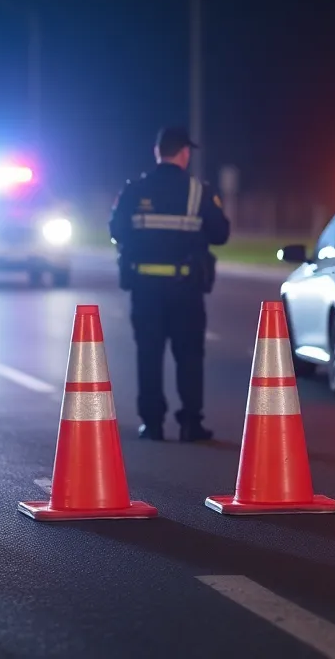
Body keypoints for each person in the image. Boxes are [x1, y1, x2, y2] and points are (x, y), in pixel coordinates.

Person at [108, 126, 231, 442]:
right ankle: (191, 423)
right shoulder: (197, 192)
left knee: (149, 354)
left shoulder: (134, 190)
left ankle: (152, 424)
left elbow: (117, 230)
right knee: (189, 355)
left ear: (157, 152)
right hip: (186, 289)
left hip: (145, 289)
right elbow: (221, 234)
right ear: (185, 154)